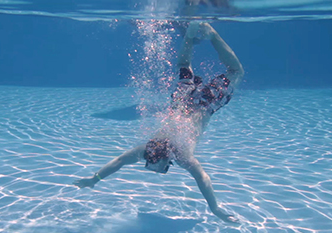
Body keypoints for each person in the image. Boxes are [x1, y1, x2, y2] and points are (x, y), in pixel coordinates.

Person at [73, 22, 244, 222]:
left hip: (205, 103)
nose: (164, 168)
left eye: (163, 166)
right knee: (183, 67)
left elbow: (202, 179)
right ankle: (189, 36)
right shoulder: (146, 148)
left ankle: (212, 34)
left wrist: (215, 209)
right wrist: (95, 179)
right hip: (181, 99)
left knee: (236, 71)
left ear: (163, 157)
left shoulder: (181, 155)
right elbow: (119, 161)